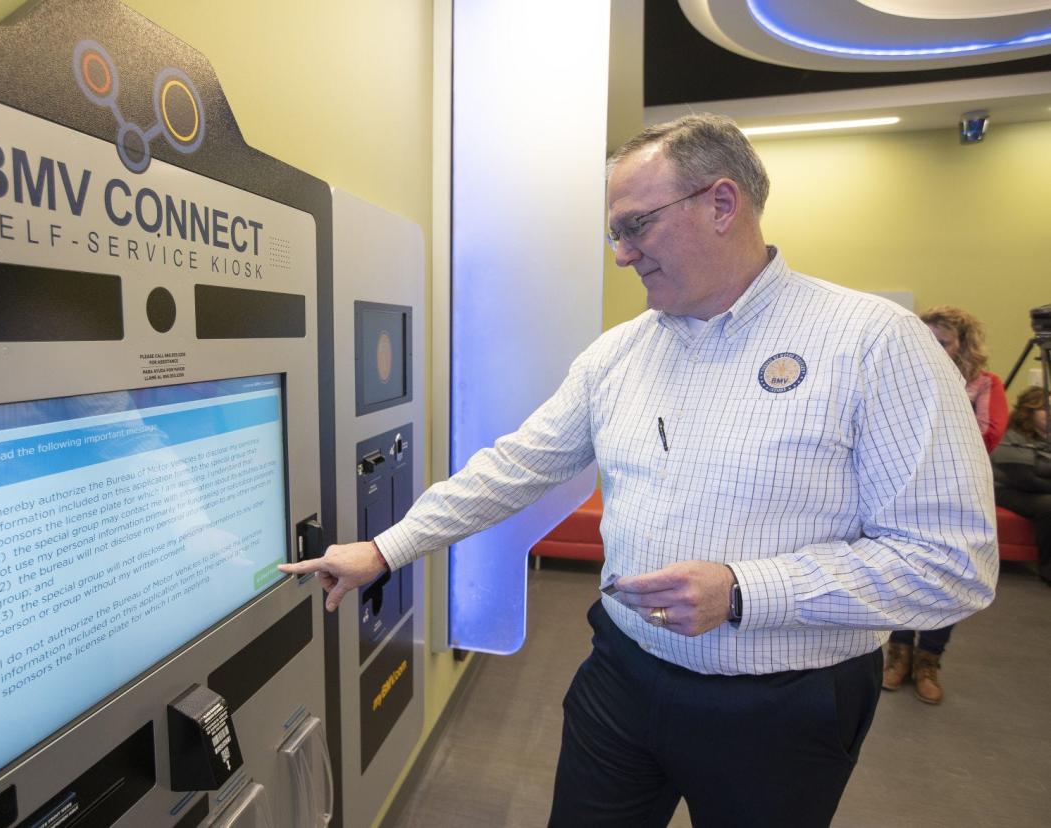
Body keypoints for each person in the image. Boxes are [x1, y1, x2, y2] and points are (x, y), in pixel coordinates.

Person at [280, 114, 997, 827]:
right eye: (613, 233)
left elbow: (951, 563)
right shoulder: (617, 356)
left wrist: (746, 591)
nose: (621, 254)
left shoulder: (874, 343)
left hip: (784, 708)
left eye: (637, 226)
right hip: (622, 675)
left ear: (721, 204)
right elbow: (514, 467)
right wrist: (385, 549)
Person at [882, 306, 1008, 704]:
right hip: (901, 489)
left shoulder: (984, 385)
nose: (933, 348)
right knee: (898, 572)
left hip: (956, 492)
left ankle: (928, 662)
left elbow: (988, 434)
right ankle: (897, 655)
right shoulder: (902, 378)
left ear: (962, 346)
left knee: (944, 578)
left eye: (942, 342)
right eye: (927, 339)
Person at [992, 386, 1051, 585]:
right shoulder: (1013, 435)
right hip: (1007, 489)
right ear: (1030, 411)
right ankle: (1047, 568)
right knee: (1048, 505)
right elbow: (1023, 478)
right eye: (1045, 408)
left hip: (1034, 488)